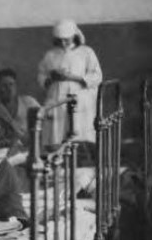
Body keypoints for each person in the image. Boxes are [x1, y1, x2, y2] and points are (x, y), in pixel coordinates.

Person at [36, 19, 103, 148]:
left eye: (66, 39)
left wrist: (73, 77)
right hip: (56, 99)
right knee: (57, 136)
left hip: (79, 100)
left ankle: (80, 155)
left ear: (74, 36)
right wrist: (51, 78)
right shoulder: (50, 55)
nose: (63, 43)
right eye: (60, 40)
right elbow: (41, 74)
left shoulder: (86, 52)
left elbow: (96, 76)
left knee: (77, 134)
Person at [0, 68, 41, 165]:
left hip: (33, 150)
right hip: (9, 153)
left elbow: (44, 123)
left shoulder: (29, 102)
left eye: (11, 84)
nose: (9, 89)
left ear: (16, 86)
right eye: (4, 85)